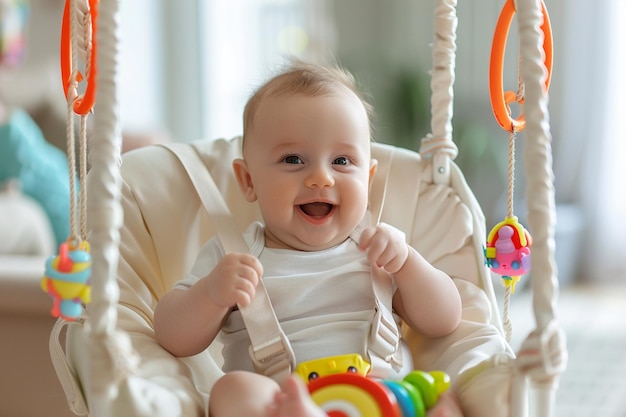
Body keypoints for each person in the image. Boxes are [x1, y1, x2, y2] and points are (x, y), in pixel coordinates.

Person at [154, 60, 464, 417]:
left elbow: (445, 319)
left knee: (445, 396)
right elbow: (171, 335)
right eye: (293, 159)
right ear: (248, 181)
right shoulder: (235, 257)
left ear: (368, 178)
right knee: (233, 390)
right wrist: (210, 293)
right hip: (281, 399)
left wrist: (408, 263)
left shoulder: (378, 248)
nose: (320, 178)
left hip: (381, 397)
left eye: (342, 161)